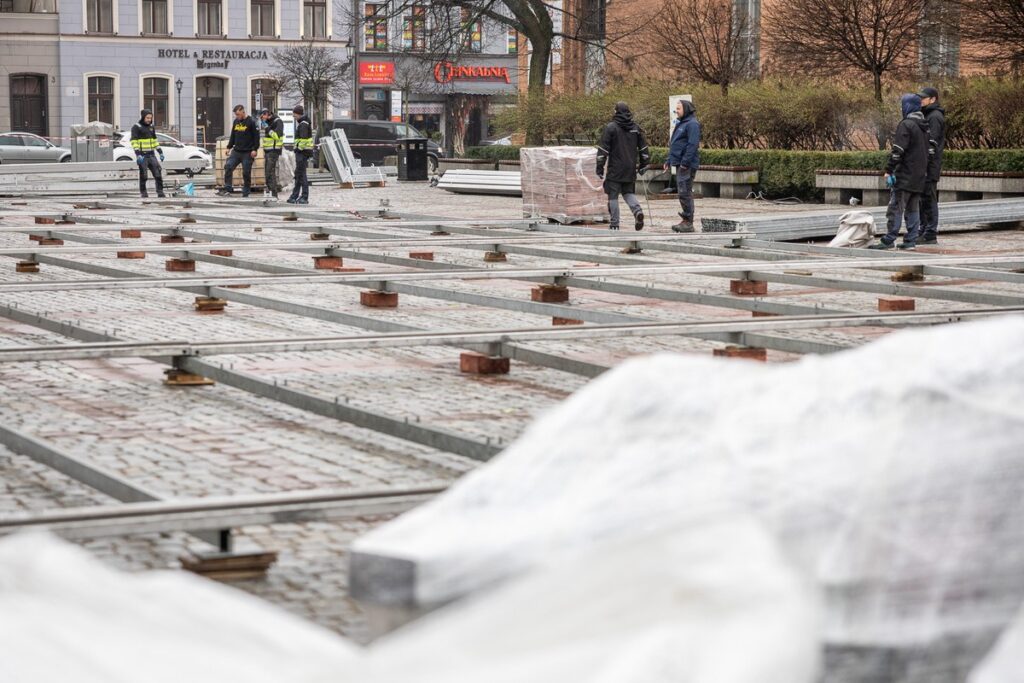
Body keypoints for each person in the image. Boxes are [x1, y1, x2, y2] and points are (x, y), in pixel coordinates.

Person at [868, 94, 932, 251]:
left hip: (904, 175)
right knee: (913, 209)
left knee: (895, 208)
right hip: (919, 177)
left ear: (907, 106)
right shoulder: (924, 126)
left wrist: (889, 170)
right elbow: (929, 152)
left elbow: (898, 151)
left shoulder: (906, 125)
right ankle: (911, 240)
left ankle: (889, 240)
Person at [596, 101, 650, 231]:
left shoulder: (611, 128)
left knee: (613, 195)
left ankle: (614, 224)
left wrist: (599, 167)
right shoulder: (636, 128)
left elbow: (603, 150)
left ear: (616, 112)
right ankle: (637, 211)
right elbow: (644, 149)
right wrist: (644, 165)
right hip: (630, 168)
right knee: (628, 192)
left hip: (615, 168)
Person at [664, 100, 701, 233]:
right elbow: (676, 144)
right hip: (680, 164)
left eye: (678, 108)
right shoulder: (682, 123)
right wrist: (669, 160)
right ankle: (686, 219)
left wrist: (685, 163)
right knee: (682, 192)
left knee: (685, 192)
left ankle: (688, 222)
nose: (676, 111)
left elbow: (692, 145)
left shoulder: (692, 124)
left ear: (686, 109)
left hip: (687, 165)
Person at [917, 86, 945, 245]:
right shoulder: (928, 114)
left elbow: (931, 142)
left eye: (924, 97)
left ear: (933, 99)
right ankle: (924, 230)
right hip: (926, 165)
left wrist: (926, 164)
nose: (921, 100)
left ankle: (930, 233)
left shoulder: (934, 116)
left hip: (930, 166)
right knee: (923, 198)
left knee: (928, 198)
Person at [218, 104, 259, 197]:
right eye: (236, 115)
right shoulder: (236, 122)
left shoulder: (251, 122)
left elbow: (256, 137)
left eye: (238, 114)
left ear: (243, 112)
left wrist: (255, 149)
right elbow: (233, 135)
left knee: (246, 172)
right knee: (228, 166)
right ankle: (228, 188)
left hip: (248, 152)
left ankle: (246, 191)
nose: (237, 116)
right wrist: (229, 147)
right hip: (236, 151)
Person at [130, 109, 164, 198]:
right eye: (147, 118)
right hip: (142, 155)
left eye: (151, 118)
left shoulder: (151, 127)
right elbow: (134, 142)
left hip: (151, 155)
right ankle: (143, 193)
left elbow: (154, 141)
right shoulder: (136, 127)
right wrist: (138, 154)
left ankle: (160, 192)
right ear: (143, 117)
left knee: (158, 174)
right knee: (143, 175)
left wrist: (160, 152)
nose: (149, 119)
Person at [287, 104, 313, 205]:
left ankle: (304, 197)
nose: (294, 117)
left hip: (302, 153)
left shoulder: (303, 124)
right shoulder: (303, 123)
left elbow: (303, 139)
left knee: (302, 176)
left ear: (298, 114)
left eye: (294, 115)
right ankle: (294, 196)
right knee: (298, 175)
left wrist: (298, 148)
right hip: (302, 153)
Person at [259, 108, 285, 198]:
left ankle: (273, 193)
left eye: (262, 116)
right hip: (268, 151)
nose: (262, 119)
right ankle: (272, 192)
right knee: (269, 172)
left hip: (274, 151)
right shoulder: (269, 122)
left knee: (269, 172)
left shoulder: (278, 122)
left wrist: (267, 128)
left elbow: (277, 136)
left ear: (267, 114)